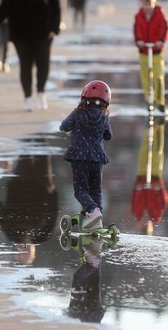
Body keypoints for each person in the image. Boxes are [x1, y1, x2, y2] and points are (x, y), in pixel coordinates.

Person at [0, 0, 61, 111]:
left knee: (43, 64)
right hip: (21, 35)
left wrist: (54, 29)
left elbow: (56, 8)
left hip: (43, 34)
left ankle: (41, 92)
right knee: (25, 65)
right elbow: (4, 8)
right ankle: (28, 97)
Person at [59, 80, 113, 230]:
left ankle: (93, 211)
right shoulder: (104, 117)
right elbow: (108, 136)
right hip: (97, 159)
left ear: (84, 97)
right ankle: (97, 219)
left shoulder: (78, 113)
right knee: (96, 190)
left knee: (80, 190)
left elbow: (64, 126)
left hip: (80, 157)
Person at [134, 0, 168, 114]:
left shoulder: (160, 14)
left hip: (156, 51)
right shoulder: (139, 15)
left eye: (150, 4)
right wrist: (138, 40)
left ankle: (160, 101)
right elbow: (136, 29)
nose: (148, 7)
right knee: (146, 78)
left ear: (154, 3)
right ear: (142, 3)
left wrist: (161, 40)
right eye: (146, 4)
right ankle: (149, 100)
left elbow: (165, 28)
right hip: (144, 51)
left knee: (158, 77)